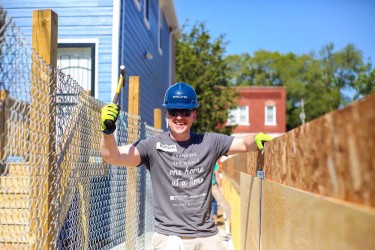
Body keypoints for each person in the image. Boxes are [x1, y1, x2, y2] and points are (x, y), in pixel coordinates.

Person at [100, 82, 273, 250]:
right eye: (174, 111)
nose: (179, 117)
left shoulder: (210, 142)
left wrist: (257, 137)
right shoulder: (152, 146)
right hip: (170, 239)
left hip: (207, 239)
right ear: (167, 114)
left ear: (194, 115)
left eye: (185, 112)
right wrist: (108, 131)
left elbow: (244, 143)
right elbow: (112, 156)